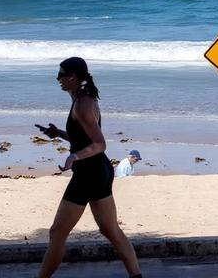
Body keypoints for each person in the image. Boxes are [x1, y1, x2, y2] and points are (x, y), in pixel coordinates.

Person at [34, 57, 142, 278]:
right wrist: (59, 134)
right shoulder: (82, 99)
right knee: (110, 230)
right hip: (99, 171)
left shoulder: (83, 104)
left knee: (57, 232)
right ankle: (137, 276)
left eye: (61, 74)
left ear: (73, 77)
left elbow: (100, 144)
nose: (58, 79)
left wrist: (74, 156)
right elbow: (83, 138)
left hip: (88, 174)